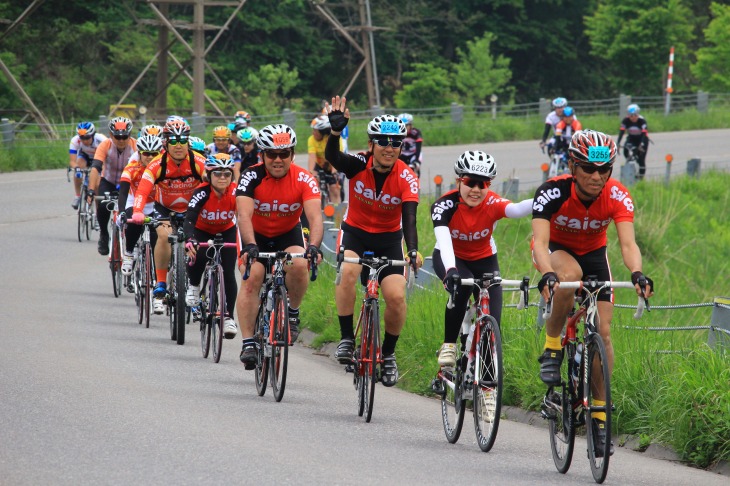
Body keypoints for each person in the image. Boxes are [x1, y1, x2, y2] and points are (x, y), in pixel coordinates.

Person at [532, 129, 654, 456]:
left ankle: (600, 416)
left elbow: (628, 244)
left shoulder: (617, 195)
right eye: (588, 168)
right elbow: (540, 243)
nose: (597, 176)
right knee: (568, 276)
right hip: (555, 252)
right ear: (573, 166)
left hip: (595, 256)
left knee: (604, 332)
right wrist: (547, 273)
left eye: (605, 169)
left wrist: (637, 273)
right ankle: (553, 346)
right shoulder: (552, 192)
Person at [324, 95, 424, 387]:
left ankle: (389, 355)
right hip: (355, 233)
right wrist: (334, 132)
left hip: (389, 240)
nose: (390, 148)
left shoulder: (407, 177)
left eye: (396, 143)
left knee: (395, 296)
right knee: (349, 273)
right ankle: (345, 339)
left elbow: (410, 218)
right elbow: (333, 158)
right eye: (383, 141)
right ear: (372, 144)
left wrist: (414, 248)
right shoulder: (358, 164)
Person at [432, 151, 533, 367]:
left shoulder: (492, 203)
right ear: (459, 180)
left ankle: (487, 385)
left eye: (483, 184)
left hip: (484, 259)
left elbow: (516, 209)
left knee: (493, 320)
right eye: (470, 183)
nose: (476, 190)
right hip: (451, 256)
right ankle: (449, 344)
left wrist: (544, 198)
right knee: (462, 286)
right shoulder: (444, 205)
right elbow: (444, 240)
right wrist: (451, 271)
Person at [236, 124, 323, 369]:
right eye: (271, 154)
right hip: (255, 234)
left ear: (292, 155)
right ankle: (249, 342)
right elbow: (243, 215)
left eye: (283, 154)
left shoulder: (304, 178)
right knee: (253, 276)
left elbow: (315, 217)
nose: (277, 159)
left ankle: (292, 313)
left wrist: (314, 246)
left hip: (288, 232)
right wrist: (250, 245)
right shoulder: (250, 176)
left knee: (298, 263)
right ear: (262, 155)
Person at [130, 118, 206, 314]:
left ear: (188, 141)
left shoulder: (198, 161)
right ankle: (161, 284)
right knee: (163, 236)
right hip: (165, 209)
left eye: (182, 140)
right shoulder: (157, 164)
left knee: (198, 243)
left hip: (193, 209)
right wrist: (138, 211)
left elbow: (214, 183)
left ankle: (194, 287)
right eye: (173, 141)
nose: (178, 145)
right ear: (165, 142)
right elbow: (142, 191)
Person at [184, 153, 239, 339]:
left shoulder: (236, 191)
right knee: (198, 256)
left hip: (226, 230)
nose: (223, 178)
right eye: (217, 173)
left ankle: (229, 317)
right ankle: (193, 286)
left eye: (227, 173)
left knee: (229, 272)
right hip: (202, 231)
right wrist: (190, 239)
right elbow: (189, 218)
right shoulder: (201, 192)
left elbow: (246, 217)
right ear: (209, 174)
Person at [88, 117, 137, 255]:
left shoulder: (136, 146)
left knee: (130, 210)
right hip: (108, 181)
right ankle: (104, 234)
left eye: (125, 137)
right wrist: (91, 190)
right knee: (103, 206)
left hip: (127, 183)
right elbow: (95, 168)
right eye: (117, 137)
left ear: (130, 134)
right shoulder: (105, 145)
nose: (121, 140)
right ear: (111, 135)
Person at [118, 134, 163, 276]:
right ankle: (129, 253)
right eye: (146, 154)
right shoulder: (131, 168)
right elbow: (123, 192)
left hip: (155, 203)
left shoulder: (163, 167)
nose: (150, 157)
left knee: (158, 237)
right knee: (134, 223)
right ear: (139, 153)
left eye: (154, 154)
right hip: (134, 201)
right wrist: (122, 212)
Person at [69, 122, 107, 209]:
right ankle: (77, 196)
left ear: (93, 135)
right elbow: (72, 161)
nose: (85, 141)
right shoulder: (75, 140)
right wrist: (77, 168)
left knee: (97, 185)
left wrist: (102, 172)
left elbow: (107, 160)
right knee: (78, 168)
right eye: (82, 138)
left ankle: (98, 212)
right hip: (85, 156)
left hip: (99, 158)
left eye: (87, 138)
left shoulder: (101, 140)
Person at [308, 115, 342, 205]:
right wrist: (311, 173)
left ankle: (337, 212)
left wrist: (334, 173)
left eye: (315, 130)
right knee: (314, 186)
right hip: (320, 165)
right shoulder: (311, 139)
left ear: (323, 132)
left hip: (334, 164)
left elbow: (337, 157)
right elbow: (312, 157)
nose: (313, 132)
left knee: (334, 188)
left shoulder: (333, 139)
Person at [617, 103, 649, 179]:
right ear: (628, 115)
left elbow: (645, 133)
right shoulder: (625, 120)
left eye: (635, 115)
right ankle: (630, 160)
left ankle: (641, 177)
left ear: (638, 114)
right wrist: (618, 143)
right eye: (631, 115)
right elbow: (622, 132)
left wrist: (641, 144)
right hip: (632, 138)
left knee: (641, 159)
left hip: (642, 139)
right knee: (625, 149)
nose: (634, 118)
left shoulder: (642, 121)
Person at [397, 113, 423, 177]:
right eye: (401, 126)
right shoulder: (396, 133)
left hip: (413, 154)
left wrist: (416, 161)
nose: (404, 128)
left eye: (406, 126)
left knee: (413, 167)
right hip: (402, 154)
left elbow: (418, 148)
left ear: (411, 125)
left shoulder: (416, 132)